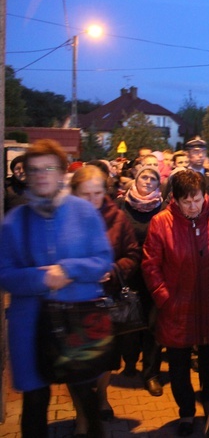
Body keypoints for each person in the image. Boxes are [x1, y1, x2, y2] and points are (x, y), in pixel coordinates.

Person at [0, 139, 113, 438]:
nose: (41, 175)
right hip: (31, 326)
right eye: (33, 169)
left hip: (77, 322)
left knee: (86, 397)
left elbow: (103, 260)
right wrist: (39, 280)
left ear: (62, 172)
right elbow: (4, 274)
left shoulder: (84, 213)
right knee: (35, 403)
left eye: (49, 167)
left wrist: (69, 270)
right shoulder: (15, 222)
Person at [142, 169, 209, 436]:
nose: (193, 207)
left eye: (198, 199)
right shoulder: (161, 223)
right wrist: (164, 298)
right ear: (176, 200)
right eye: (187, 201)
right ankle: (185, 412)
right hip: (176, 309)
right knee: (179, 369)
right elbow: (150, 265)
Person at [69, 165, 140, 434]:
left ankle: (101, 397)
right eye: (85, 194)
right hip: (73, 302)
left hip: (105, 300)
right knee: (76, 364)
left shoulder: (117, 218)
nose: (92, 201)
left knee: (105, 360)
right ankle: (82, 418)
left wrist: (112, 270)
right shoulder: (63, 219)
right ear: (73, 193)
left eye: (97, 193)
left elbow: (133, 254)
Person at [116, 165, 165, 395]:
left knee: (154, 325)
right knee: (128, 322)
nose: (147, 181)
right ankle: (129, 361)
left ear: (158, 184)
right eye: (143, 177)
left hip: (155, 275)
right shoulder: (121, 205)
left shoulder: (164, 208)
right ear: (135, 180)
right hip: (128, 274)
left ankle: (151, 373)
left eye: (153, 179)